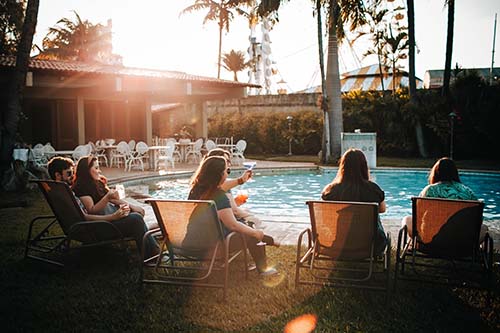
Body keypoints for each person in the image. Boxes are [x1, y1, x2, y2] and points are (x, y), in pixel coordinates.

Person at [47, 156, 158, 258]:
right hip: (95, 230)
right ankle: (153, 255)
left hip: (88, 228)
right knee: (136, 220)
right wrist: (113, 216)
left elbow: (83, 214)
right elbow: (86, 215)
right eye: (69, 173)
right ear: (58, 175)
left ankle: (148, 240)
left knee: (136, 216)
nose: (73, 176)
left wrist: (116, 202)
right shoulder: (69, 192)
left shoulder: (61, 191)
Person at [188, 155, 279, 276]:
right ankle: (263, 269)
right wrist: (255, 233)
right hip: (210, 248)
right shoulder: (219, 197)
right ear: (219, 175)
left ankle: (270, 241)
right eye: (227, 171)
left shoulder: (194, 191)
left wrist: (241, 180)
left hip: (188, 244)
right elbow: (233, 225)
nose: (228, 174)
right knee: (250, 232)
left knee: (247, 228)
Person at [401, 157, 488, 240]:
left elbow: (418, 217)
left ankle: (415, 243)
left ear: (436, 172)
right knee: (484, 228)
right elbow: (478, 220)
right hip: (462, 243)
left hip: (430, 241)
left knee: (407, 219)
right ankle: (474, 247)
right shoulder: (467, 192)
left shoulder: (429, 190)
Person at [321, 148, 388, 255]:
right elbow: (382, 209)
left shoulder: (330, 190)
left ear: (343, 166)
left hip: (337, 244)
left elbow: (326, 217)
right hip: (370, 246)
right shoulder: (373, 189)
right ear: (364, 166)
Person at [204, 148, 262, 228]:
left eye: (228, 161)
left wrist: (236, 202)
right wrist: (241, 180)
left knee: (248, 214)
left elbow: (220, 206)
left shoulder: (199, 185)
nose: (228, 164)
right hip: (220, 228)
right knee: (255, 221)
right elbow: (234, 211)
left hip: (205, 227)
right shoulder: (220, 186)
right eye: (225, 161)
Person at [72, 156, 145, 216]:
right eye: (96, 168)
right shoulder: (81, 187)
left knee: (139, 211)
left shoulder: (97, 183)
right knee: (136, 217)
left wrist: (130, 206)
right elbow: (91, 210)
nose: (99, 171)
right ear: (86, 170)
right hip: (106, 220)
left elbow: (112, 199)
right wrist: (107, 198)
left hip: (112, 212)